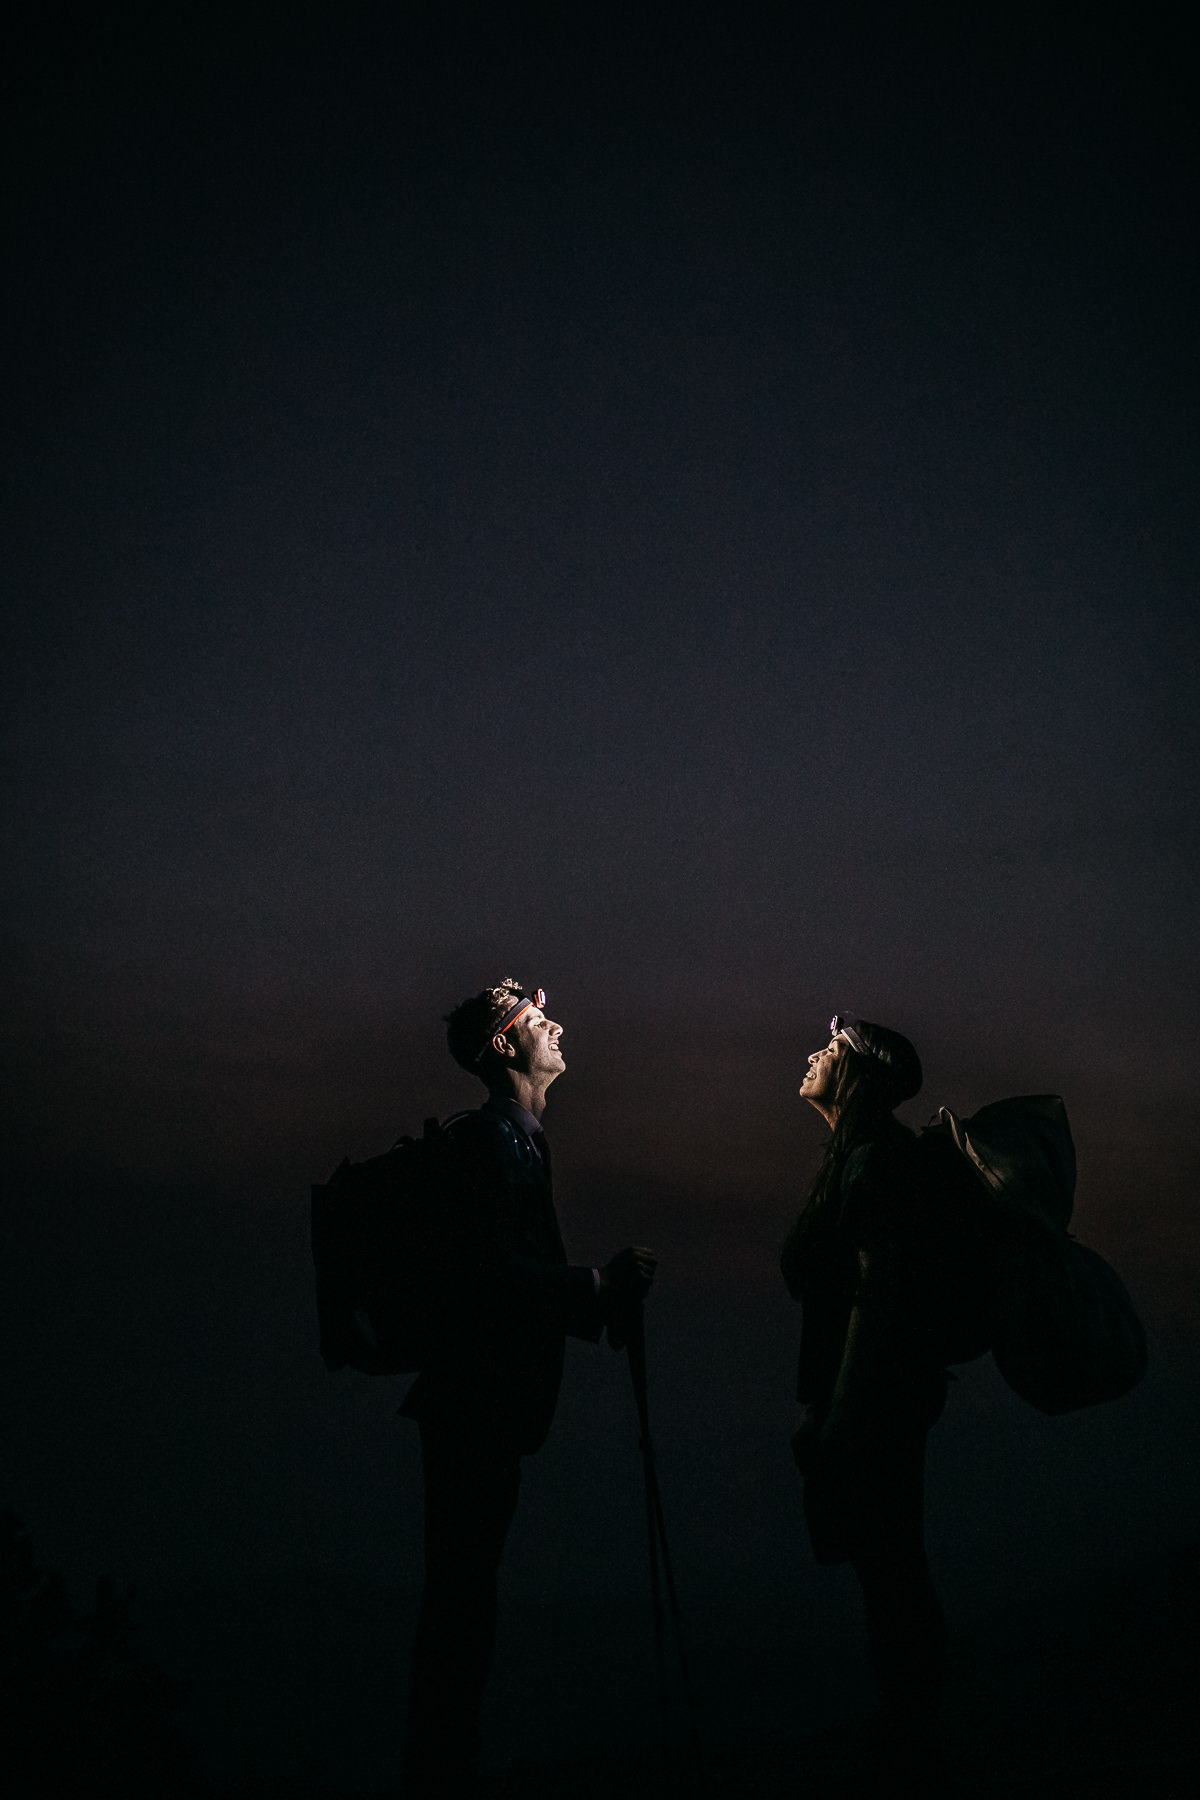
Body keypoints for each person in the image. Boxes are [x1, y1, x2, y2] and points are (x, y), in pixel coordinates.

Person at [400, 979, 656, 1799]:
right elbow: (484, 1276)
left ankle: (446, 1756)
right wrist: (589, 1289)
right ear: (507, 1048)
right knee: (462, 1591)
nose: (555, 1027)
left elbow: (506, 1276)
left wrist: (588, 1299)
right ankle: (443, 1765)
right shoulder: (489, 1142)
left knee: (466, 1585)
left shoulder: (517, 1140)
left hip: (480, 1404)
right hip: (473, 1405)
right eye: (538, 1021)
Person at [781, 1012, 963, 1798]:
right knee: (886, 1563)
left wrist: (843, 1413)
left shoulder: (877, 1161)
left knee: (891, 1565)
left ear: (860, 1076)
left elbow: (875, 1297)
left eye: (835, 1050)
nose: (818, 1052)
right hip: (871, 1398)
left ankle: (910, 1742)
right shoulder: (855, 1156)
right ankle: (907, 1729)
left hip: (875, 1402)